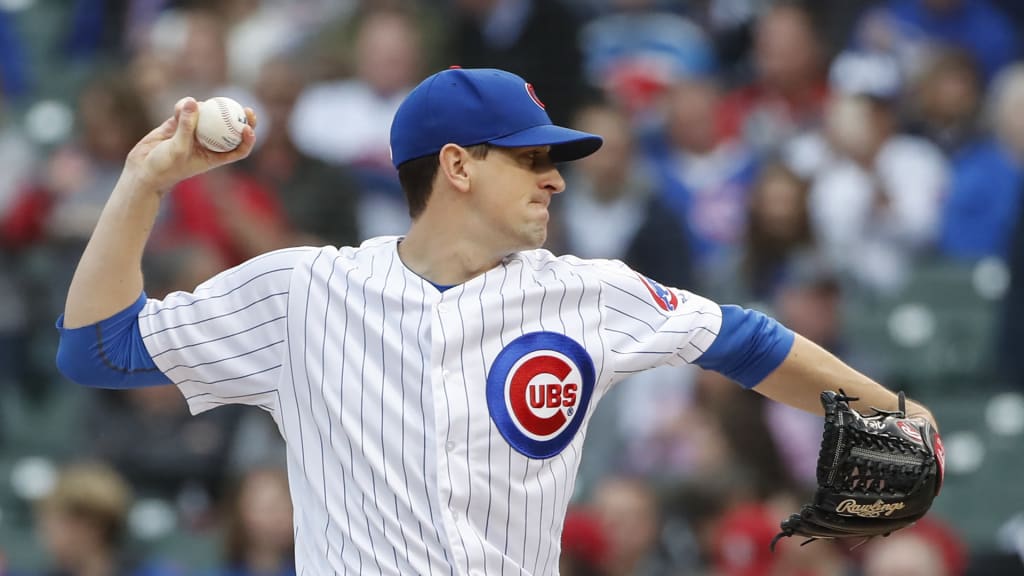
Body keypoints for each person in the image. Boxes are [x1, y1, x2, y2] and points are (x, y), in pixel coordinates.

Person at [56, 67, 939, 574]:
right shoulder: (303, 291)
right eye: (530, 158)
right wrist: (145, 181)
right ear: (457, 166)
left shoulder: (588, 292)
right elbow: (99, 350)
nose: (554, 178)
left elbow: (746, 340)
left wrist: (888, 405)